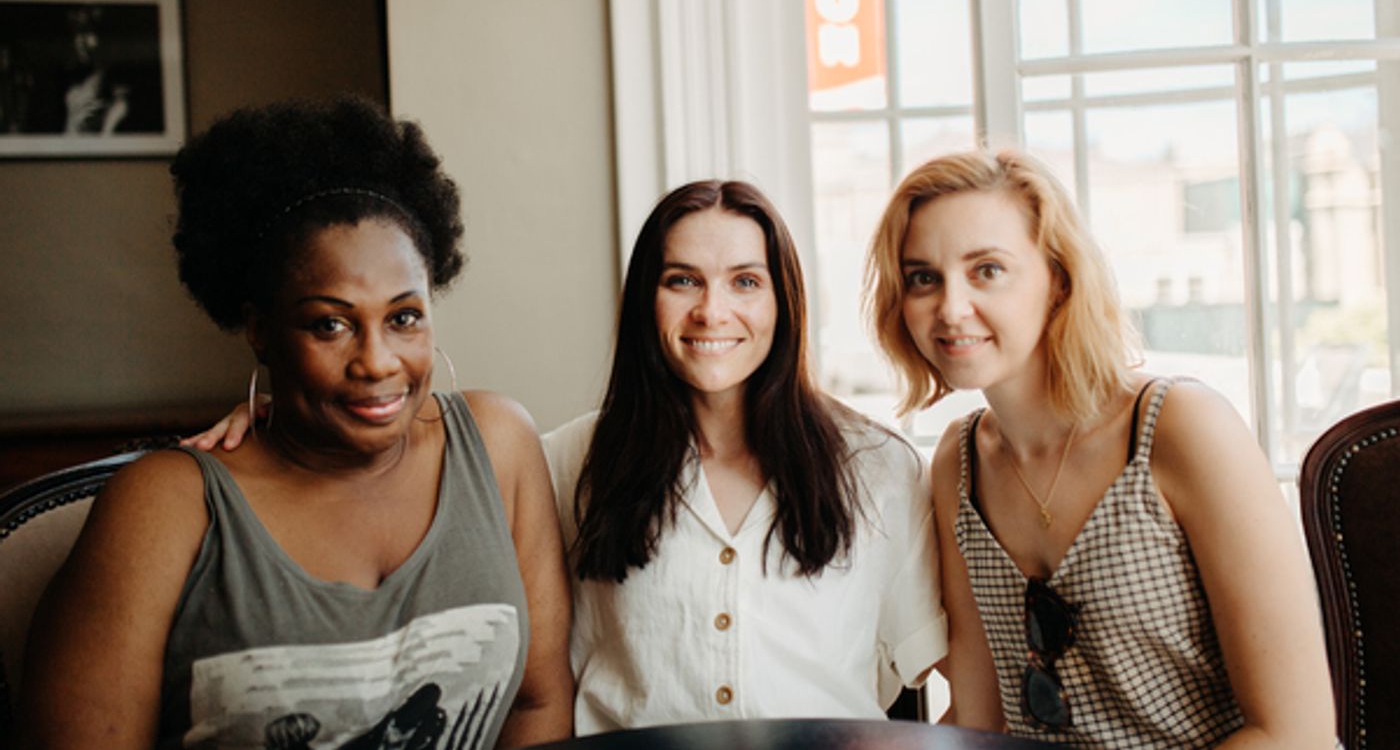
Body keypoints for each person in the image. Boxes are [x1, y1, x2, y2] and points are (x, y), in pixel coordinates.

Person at [192, 179, 948, 736]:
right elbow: (398, 438)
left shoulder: (880, 466)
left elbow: (901, 683)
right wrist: (283, 407)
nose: (712, 312)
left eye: (745, 282)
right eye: (680, 280)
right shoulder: (560, 462)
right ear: (643, 300)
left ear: (782, 300)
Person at [21, 97, 572, 749]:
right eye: (329, 324)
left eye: (404, 317)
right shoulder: (164, 505)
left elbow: (538, 701)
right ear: (260, 329)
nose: (376, 361)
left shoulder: (499, 445)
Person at [864, 148, 1334, 747]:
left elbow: (1297, 733)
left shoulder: (1179, 429)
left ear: (1057, 280)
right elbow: (979, 721)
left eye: (987, 270)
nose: (951, 308)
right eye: (923, 277)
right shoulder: (959, 463)